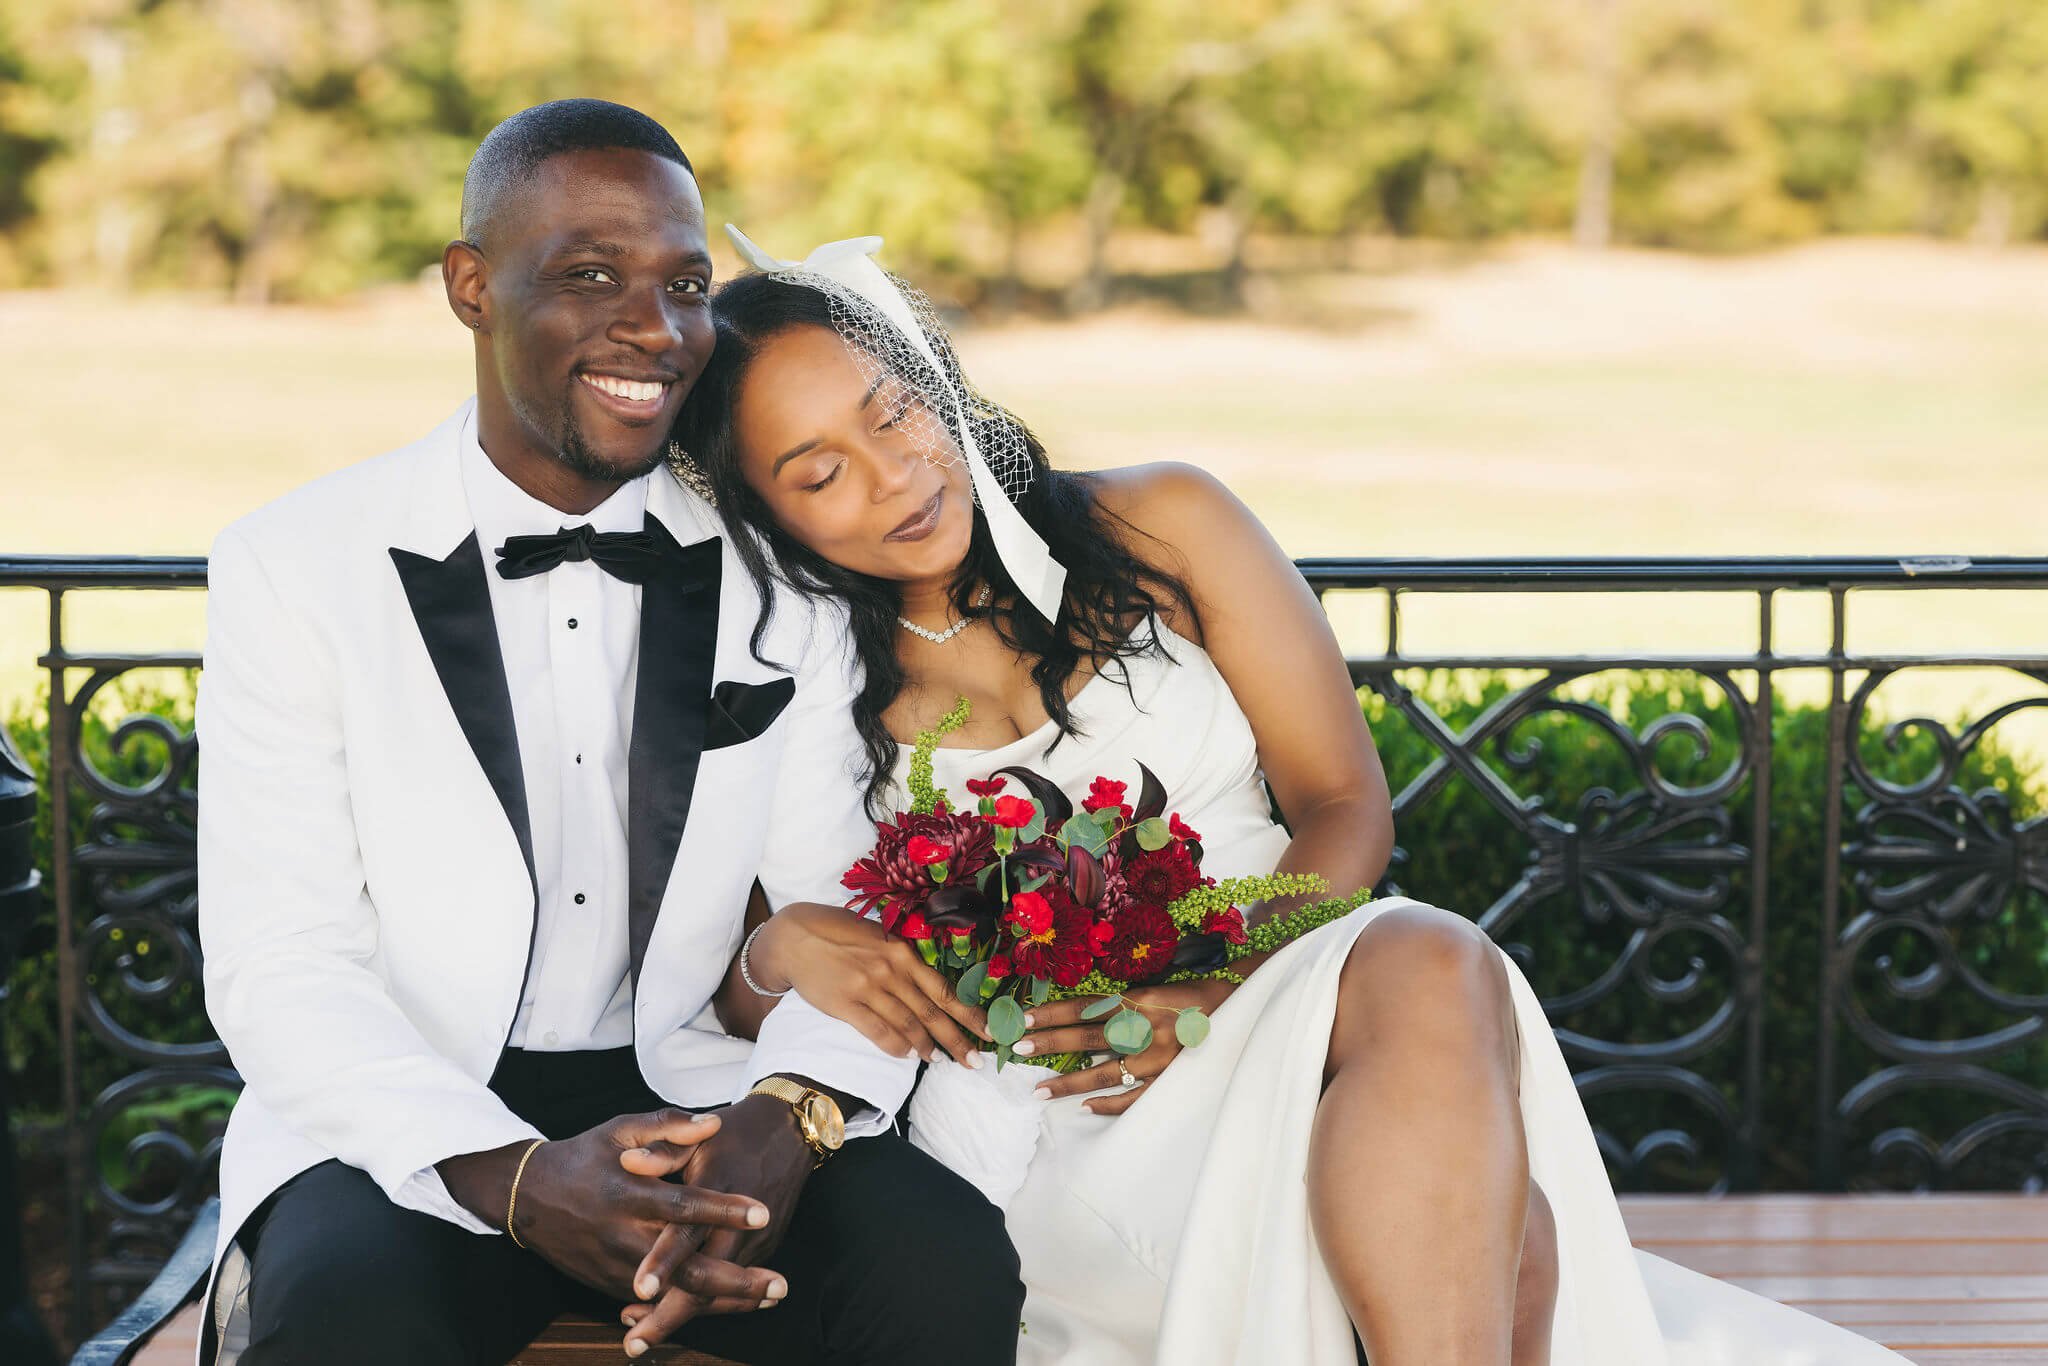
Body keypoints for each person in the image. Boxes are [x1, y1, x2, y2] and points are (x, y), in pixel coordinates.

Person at [635, 232, 1911, 1365]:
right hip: (1062, 1102)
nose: (894, 476)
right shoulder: (797, 680)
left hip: (1287, 979)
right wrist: (781, 945)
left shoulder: (1161, 523)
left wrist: (1215, 978)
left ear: (935, 377)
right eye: (819, 473)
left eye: (894, 413)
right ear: (764, 515)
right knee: (1499, 1230)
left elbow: (1343, 802)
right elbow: (746, 986)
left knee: (1428, 958)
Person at [196, 102, 1020, 1366]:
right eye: (590, 276)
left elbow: (846, 910)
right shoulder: (294, 565)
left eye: (684, 285)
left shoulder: (779, 581)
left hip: (700, 1095)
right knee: (346, 1322)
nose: (655, 328)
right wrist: (516, 1176)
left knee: (939, 1265)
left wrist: (788, 1114)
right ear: (471, 286)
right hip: (409, 1116)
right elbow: (282, 958)